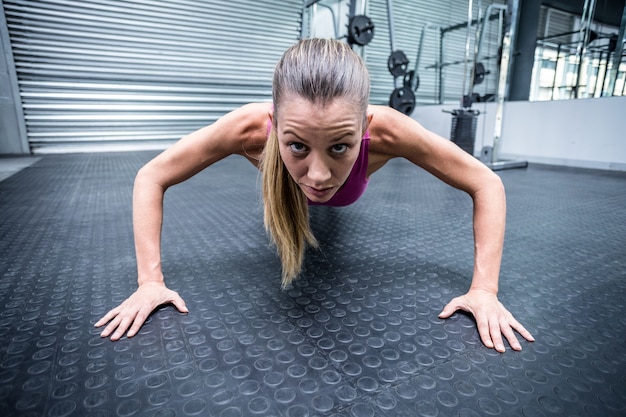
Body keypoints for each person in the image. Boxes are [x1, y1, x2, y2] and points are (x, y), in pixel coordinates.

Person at [95, 38, 534, 353]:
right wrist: (149, 282)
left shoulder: (389, 131)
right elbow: (151, 176)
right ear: (273, 124)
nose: (320, 176)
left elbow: (486, 182)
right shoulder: (248, 129)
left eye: (340, 147)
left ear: (365, 129)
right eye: (297, 146)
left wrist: (485, 290)